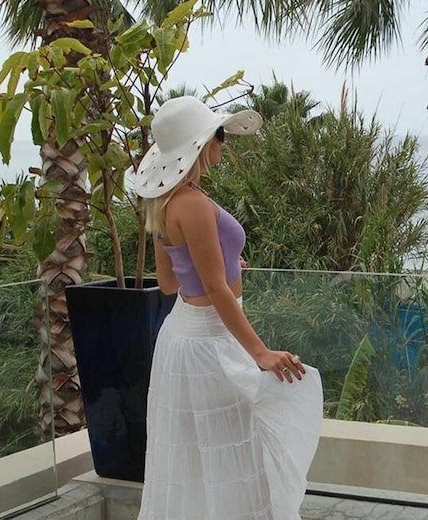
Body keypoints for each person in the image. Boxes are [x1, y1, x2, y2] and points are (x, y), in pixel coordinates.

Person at [134, 96, 323, 520]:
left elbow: (169, 283)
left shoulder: (165, 201)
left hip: (183, 336)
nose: (223, 141)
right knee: (234, 450)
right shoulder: (193, 205)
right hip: (209, 341)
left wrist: (224, 262)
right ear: (200, 144)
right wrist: (261, 353)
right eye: (219, 134)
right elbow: (216, 289)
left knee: (198, 455)